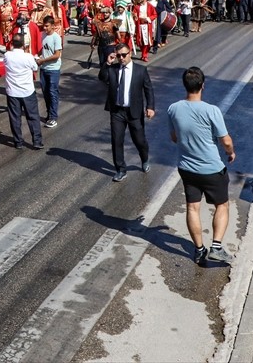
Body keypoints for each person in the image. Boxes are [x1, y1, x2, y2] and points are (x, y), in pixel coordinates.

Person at [168, 67, 236, 266]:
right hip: (212, 169)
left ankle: (199, 250)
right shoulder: (211, 110)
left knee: (192, 207)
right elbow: (226, 140)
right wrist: (230, 152)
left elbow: (174, 138)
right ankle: (216, 247)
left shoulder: (173, 108)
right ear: (203, 85)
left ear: (184, 86)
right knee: (222, 205)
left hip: (187, 168)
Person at [100, 42, 154, 182]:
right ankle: (120, 169)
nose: (121, 58)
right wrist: (107, 63)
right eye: (118, 56)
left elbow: (148, 89)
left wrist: (150, 107)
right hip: (117, 111)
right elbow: (102, 78)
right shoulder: (113, 69)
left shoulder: (140, 70)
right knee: (116, 140)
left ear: (130, 53)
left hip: (134, 111)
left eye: (124, 55)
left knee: (139, 140)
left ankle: (144, 158)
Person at [1, 34, 44, 150]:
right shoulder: (28, 57)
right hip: (27, 91)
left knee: (15, 118)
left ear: (12, 44)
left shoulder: (7, 56)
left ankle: (18, 142)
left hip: (12, 92)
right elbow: (35, 68)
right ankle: (37, 141)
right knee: (33, 116)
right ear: (24, 45)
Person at [37, 16, 63, 128]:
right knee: (46, 92)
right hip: (44, 69)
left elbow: (57, 55)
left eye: (47, 26)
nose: (45, 28)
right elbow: (42, 49)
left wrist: (43, 60)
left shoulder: (56, 38)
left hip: (53, 69)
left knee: (52, 92)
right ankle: (49, 114)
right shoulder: (43, 35)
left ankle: (53, 117)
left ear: (52, 26)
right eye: (44, 25)